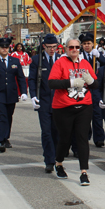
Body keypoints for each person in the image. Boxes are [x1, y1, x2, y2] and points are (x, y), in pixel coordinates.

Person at [48, 38, 98, 186]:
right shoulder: (60, 63)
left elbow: (95, 85)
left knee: (82, 138)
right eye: (71, 47)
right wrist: (70, 82)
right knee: (65, 138)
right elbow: (52, 83)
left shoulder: (85, 63)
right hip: (64, 107)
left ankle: (84, 172)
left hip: (84, 106)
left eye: (77, 47)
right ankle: (58, 163)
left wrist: (91, 81)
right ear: (65, 48)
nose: (74, 49)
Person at [0, 38, 27, 153]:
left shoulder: (15, 61)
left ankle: (6, 137)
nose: (4, 49)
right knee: (1, 116)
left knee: (8, 116)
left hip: (11, 94)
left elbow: (21, 78)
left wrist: (23, 92)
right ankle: (1, 140)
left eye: (6, 47)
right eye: (2, 47)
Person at [28, 34, 61, 173]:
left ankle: (57, 157)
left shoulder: (62, 59)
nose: (52, 50)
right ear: (44, 47)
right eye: (49, 47)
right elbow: (32, 79)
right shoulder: (37, 60)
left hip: (59, 102)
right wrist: (34, 96)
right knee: (46, 132)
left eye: (55, 47)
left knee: (57, 132)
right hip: (44, 101)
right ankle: (49, 160)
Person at [79, 32, 105, 148]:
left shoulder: (97, 54)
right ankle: (87, 134)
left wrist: (99, 56)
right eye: (84, 43)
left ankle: (99, 138)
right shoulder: (80, 56)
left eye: (89, 43)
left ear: (92, 44)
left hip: (96, 86)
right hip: (84, 87)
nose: (87, 46)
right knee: (84, 114)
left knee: (97, 114)